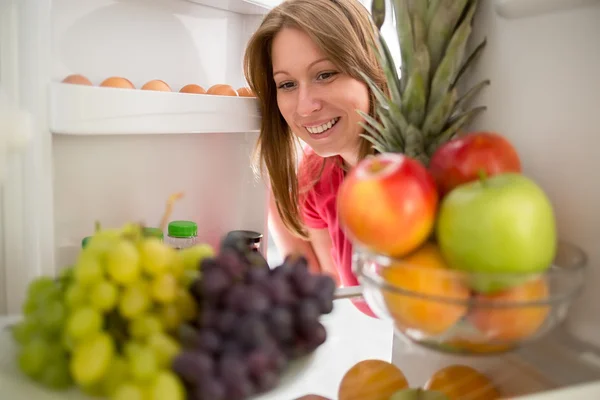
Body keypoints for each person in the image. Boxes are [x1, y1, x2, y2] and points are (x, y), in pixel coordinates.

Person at [243, 0, 387, 291]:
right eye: (287, 85)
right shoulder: (314, 176)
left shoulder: (416, 172)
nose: (305, 107)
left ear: (370, 67)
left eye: (325, 74)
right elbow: (335, 287)